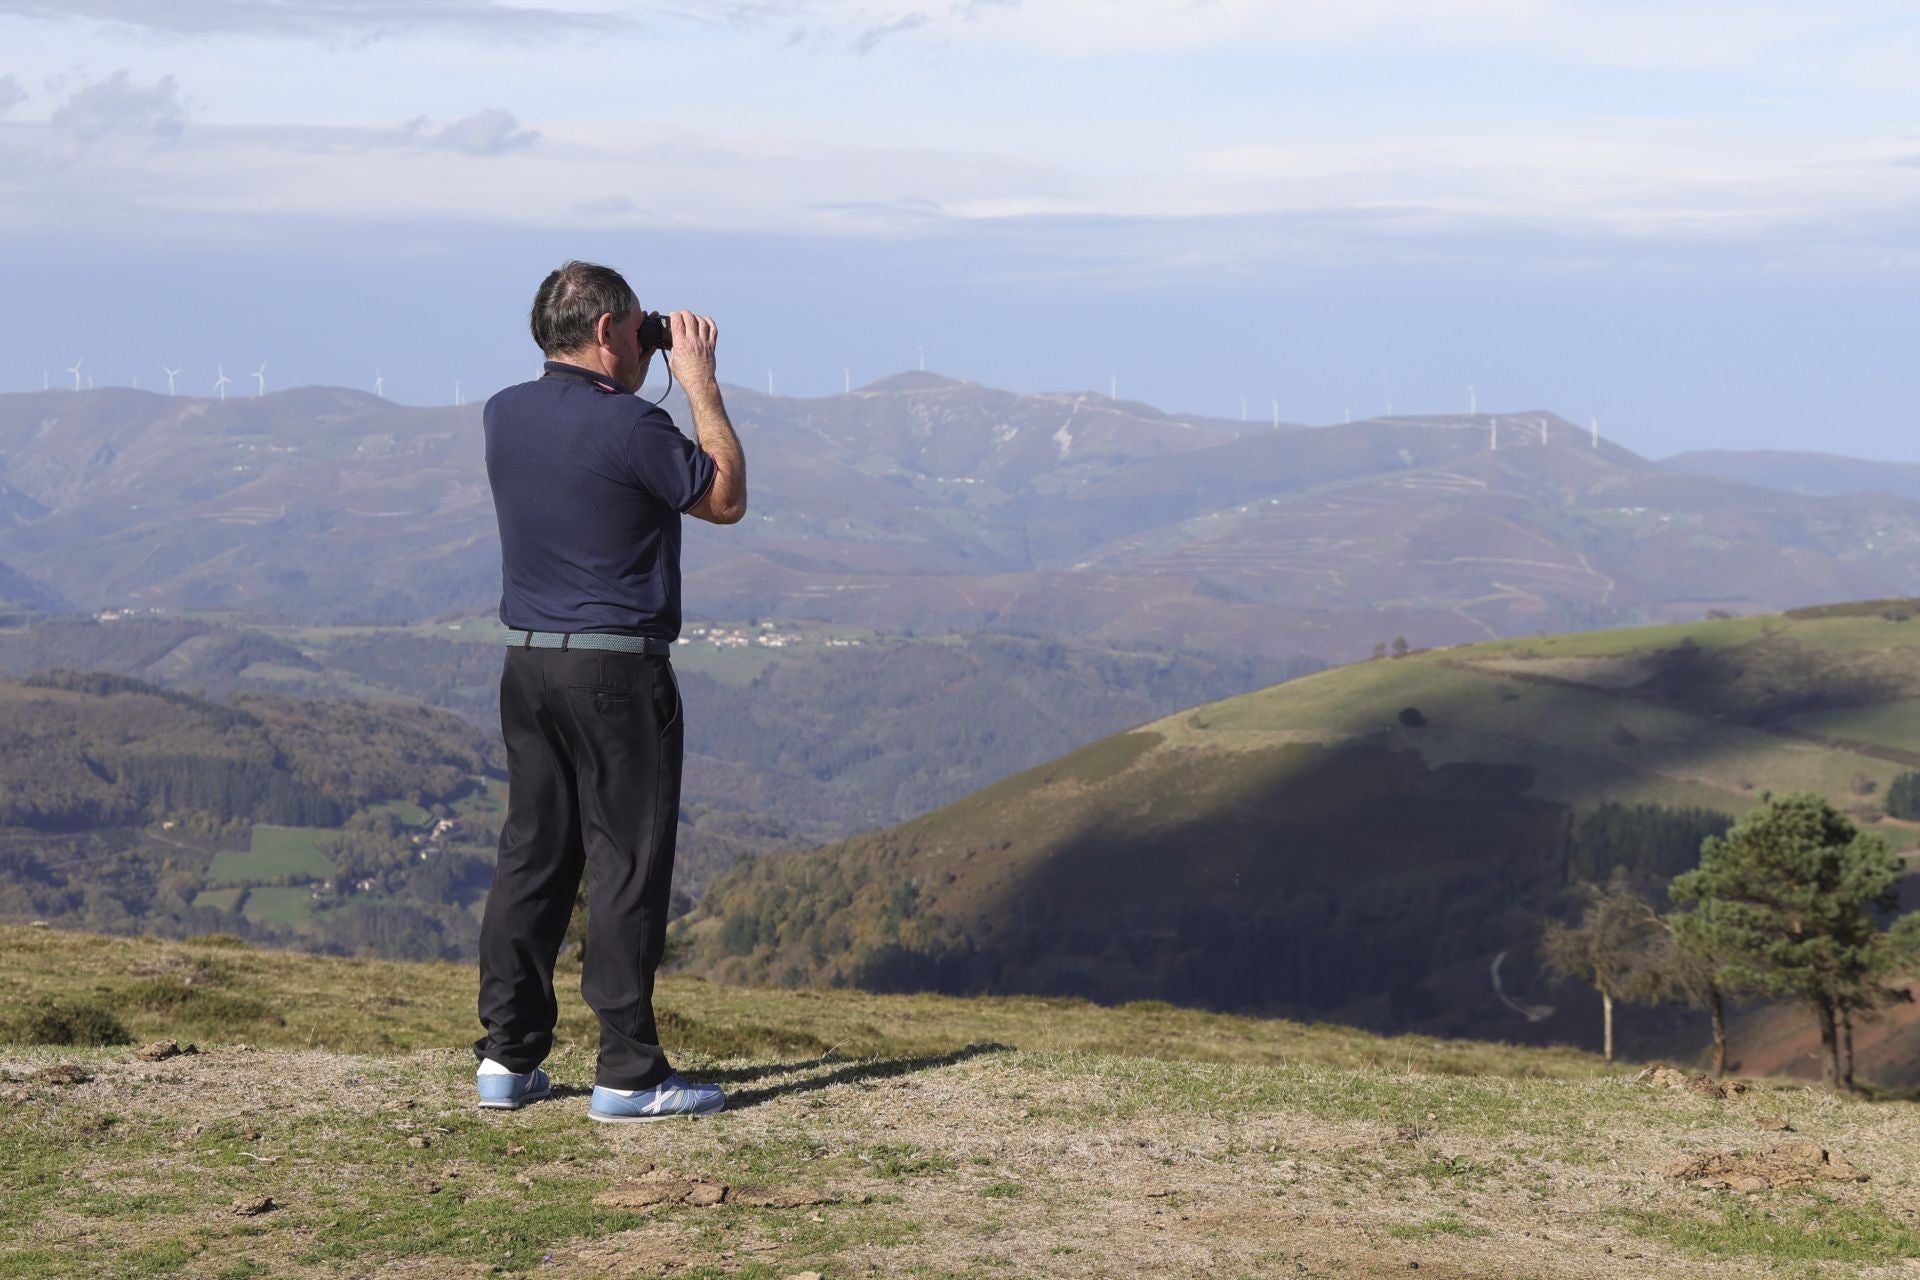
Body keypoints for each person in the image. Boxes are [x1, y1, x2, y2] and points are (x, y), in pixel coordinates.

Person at [472, 260, 746, 1122]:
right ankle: (628, 1074)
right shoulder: (633, 427)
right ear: (604, 332)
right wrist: (698, 383)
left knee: (533, 858)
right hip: (616, 673)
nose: (646, 342)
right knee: (626, 864)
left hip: (529, 666)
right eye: (637, 329)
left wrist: (648, 367)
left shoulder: (502, 413)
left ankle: (506, 1060)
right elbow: (726, 498)